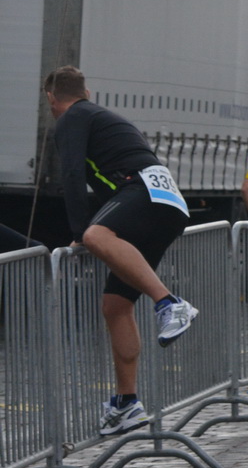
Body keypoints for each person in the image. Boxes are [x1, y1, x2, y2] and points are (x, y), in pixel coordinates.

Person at [45, 66, 198, 437]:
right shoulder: (99, 115)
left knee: (96, 236)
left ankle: (170, 304)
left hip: (142, 192)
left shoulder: (72, 118)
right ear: (86, 90)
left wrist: (80, 232)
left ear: (51, 98)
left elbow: (71, 175)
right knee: (115, 306)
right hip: (167, 201)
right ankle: (127, 403)